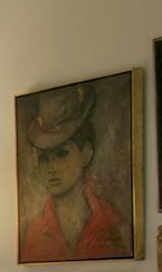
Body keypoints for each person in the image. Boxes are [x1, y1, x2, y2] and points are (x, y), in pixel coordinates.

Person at [21, 82, 129, 261]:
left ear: (86, 153)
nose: (51, 169)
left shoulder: (111, 220)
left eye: (62, 154)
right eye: (44, 159)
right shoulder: (34, 231)